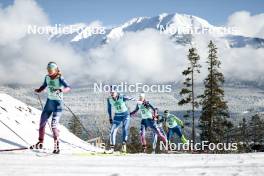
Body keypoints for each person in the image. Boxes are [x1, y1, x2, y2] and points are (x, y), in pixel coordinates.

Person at [30, 62, 71, 154]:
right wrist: (39, 90)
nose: (49, 72)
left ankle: (57, 147)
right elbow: (44, 85)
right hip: (49, 103)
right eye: (48, 70)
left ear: (55, 70)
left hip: (57, 105)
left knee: (53, 125)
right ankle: (40, 143)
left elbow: (68, 87)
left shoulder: (60, 78)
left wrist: (61, 90)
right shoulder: (47, 77)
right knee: (42, 122)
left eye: (51, 70)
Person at [107, 87, 135, 153]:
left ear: (116, 92)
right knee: (112, 131)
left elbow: (132, 98)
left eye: (113, 92)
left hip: (126, 115)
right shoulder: (109, 99)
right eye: (111, 93)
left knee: (124, 128)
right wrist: (110, 118)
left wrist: (140, 101)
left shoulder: (122, 97)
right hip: (117, 116)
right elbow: (109, 109)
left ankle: (124, 145)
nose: (112, 94)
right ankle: (112, 148)